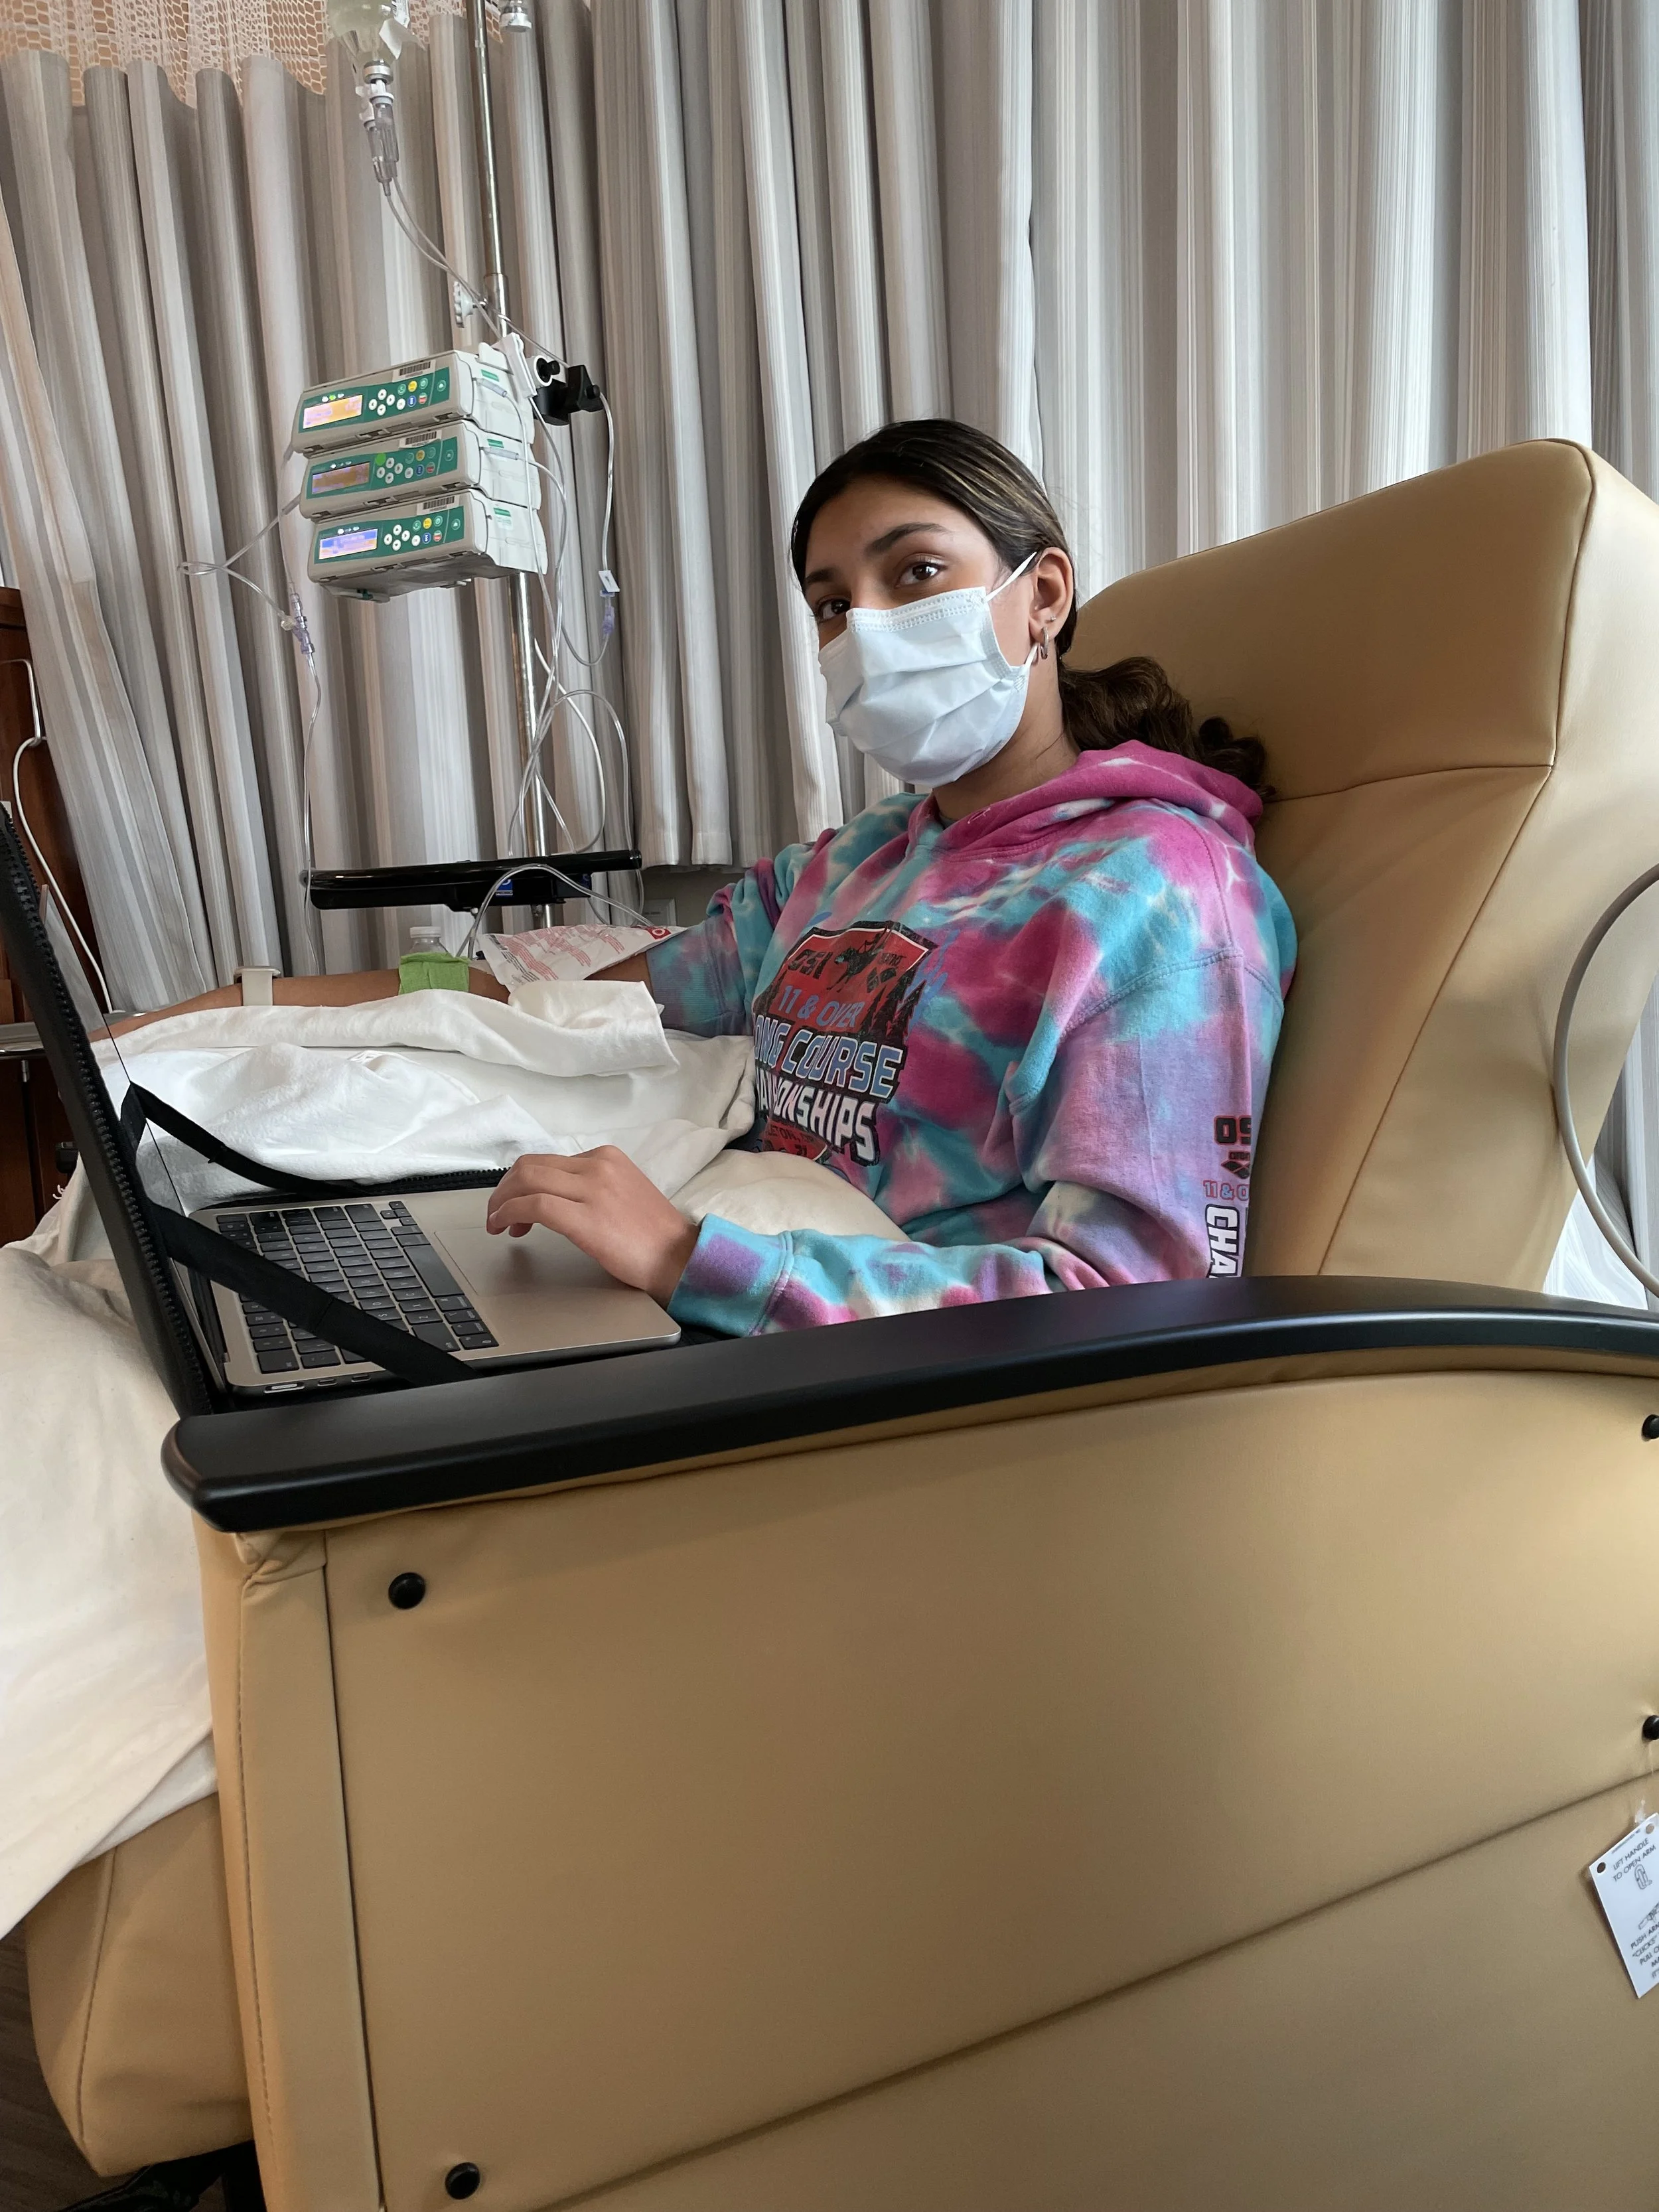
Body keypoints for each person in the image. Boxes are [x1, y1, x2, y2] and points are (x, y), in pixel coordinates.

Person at [487, 417, 1296, 1330]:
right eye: (832, 604)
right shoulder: (859, 857)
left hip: (903, 1398)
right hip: (711, 1295)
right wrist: (390, 1005)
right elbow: (613, 999)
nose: (865, 629)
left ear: (1045, 596)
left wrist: (685, 1256)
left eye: (916, 573)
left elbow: (1136, 1299)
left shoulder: (1159, 895)